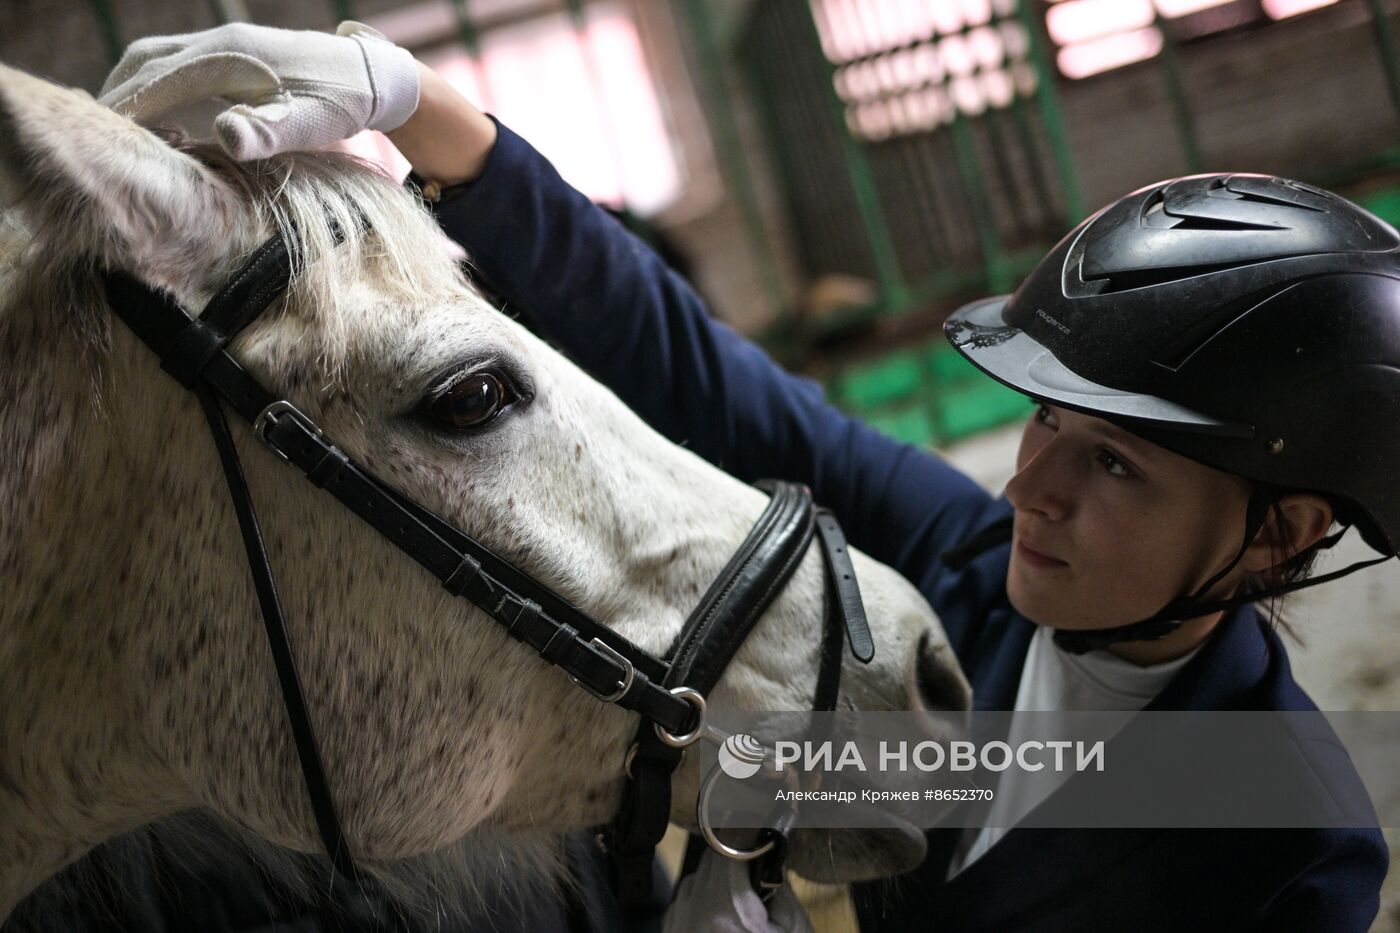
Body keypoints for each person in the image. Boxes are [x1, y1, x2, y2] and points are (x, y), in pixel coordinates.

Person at [84, 22, 1391, 933]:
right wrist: (419, 104)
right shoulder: (970, 572)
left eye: (1113, 462)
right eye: (1044, 418)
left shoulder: (1289, 838)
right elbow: (707, 379)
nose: (1032, 487)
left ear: (1279, 534)